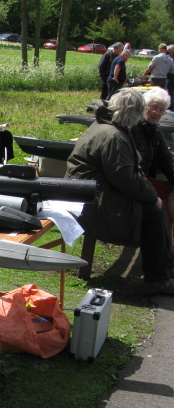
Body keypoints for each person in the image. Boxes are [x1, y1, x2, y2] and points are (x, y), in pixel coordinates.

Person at [65, 89, 174, 293]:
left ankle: (163, 270)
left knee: (153, 210)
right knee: (152, 214)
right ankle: (157, 278)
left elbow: (127, 174)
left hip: (91, 193)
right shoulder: (114, 135)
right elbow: (125, 178)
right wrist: (152, 196)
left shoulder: (106, 126)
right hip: (93, 201)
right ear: (135, 113)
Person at [130, 87, 174, 255]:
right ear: (144, 107)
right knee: (165, 200)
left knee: (171, 194)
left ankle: (168, 250)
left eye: (161, 109)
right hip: (137, 181)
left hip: (147, 180)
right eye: (153, 107)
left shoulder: (155, 132)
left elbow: (167, 161)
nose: (157, 112)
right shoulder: (133, 128)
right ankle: (168, 251)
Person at [167, 45, 174, 111]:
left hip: (171, 77)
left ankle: (171, 107)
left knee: (170, 92)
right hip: (170, 76)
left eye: (170, 51)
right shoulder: (170, 56)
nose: (169, 53)